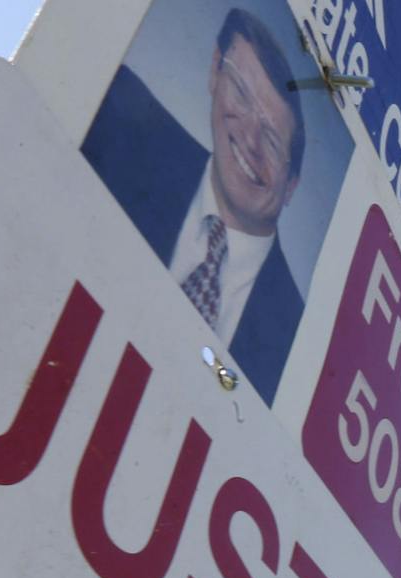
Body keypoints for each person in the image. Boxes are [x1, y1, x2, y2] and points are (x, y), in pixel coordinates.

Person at [82, 7, 310, 404]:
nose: (249, 139)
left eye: (273, 141)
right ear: (214, 73)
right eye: (241, 90)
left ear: (291, 187)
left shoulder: (298, 340)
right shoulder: (114, 118)